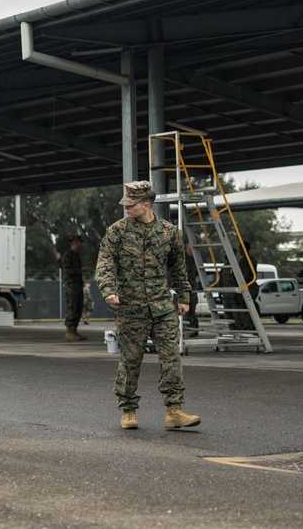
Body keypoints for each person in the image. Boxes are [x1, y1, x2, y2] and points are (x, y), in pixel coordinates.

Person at [96, 180, 200, 430]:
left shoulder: (169, 232)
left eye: (131, 204)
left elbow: (178, 267)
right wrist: (108, 289)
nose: (126, 208)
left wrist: (184, 297)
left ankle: (174, 410)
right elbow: (105, 262)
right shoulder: (117, 232)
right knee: (131, 359)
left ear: (146, 205)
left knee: (171, 357)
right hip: (131, 308)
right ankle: (128, 410)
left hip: (162, 307)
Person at [224, 241, 258, 332]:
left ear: (244, 249)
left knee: (244, 309)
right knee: (244, 309)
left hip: (247, 287)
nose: (239, 251)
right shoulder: (248, 259)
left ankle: (248, 327)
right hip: (247, 287)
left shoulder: (246, 260)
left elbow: (244, 276)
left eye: (240, 248)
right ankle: (246, 327)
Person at [61, 235, 89, 341]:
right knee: (71, 308)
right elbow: (67, 271)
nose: (81, 244)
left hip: (77, 285)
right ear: (74, 243)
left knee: (78, 308)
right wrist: (80, 270)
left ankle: (74, 331)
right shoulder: (67, 255)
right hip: (71, 285)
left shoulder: (76, 255)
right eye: (79, 242)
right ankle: (69, 331)